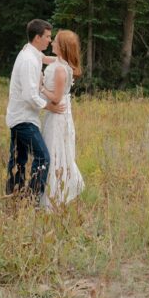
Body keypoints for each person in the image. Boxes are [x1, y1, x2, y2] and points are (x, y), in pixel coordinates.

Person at [5, 18, 65, 200]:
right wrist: (50, 107)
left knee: (19, 161)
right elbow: (29, 96)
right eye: (47, 36)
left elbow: (48, 59)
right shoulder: (28, 60)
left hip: (20, 117)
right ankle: (33, 200)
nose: (50, 40)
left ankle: (13, 197)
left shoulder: (33, 53)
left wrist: (68, 61)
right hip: (23, 120)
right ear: (37, 37)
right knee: (43, 157)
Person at [40, 29, 85, 209]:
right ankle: (56, 193)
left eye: (55, 41)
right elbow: (44, 59)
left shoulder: (60, 70)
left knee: (54, 152)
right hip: (57, 115)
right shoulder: (60, 62)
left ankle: (55, 197)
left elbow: (56, 98)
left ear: (63, 47)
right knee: (54, 151)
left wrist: (40, 86)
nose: (52, 43)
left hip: (57, 116)